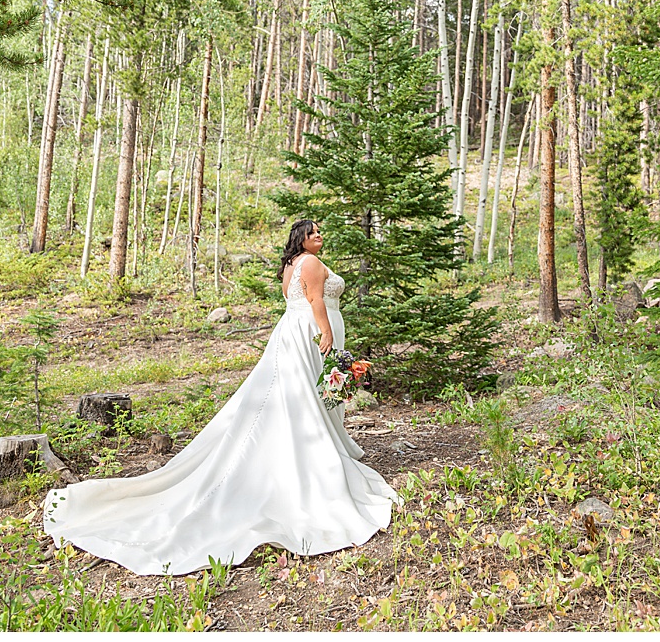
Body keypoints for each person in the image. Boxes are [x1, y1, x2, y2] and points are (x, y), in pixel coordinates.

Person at [43, 219, 398, 576]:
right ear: (301, 239)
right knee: (307, 396)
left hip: (289, 333)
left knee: (296, 396)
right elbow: (316, 299)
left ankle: (304, 446)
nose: (319, 235)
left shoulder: (292, 265)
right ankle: (309, 459)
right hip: (309, 332)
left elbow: (295, 299)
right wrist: (326, 334)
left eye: (321, 231)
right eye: (313, 232)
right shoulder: (312, 263)